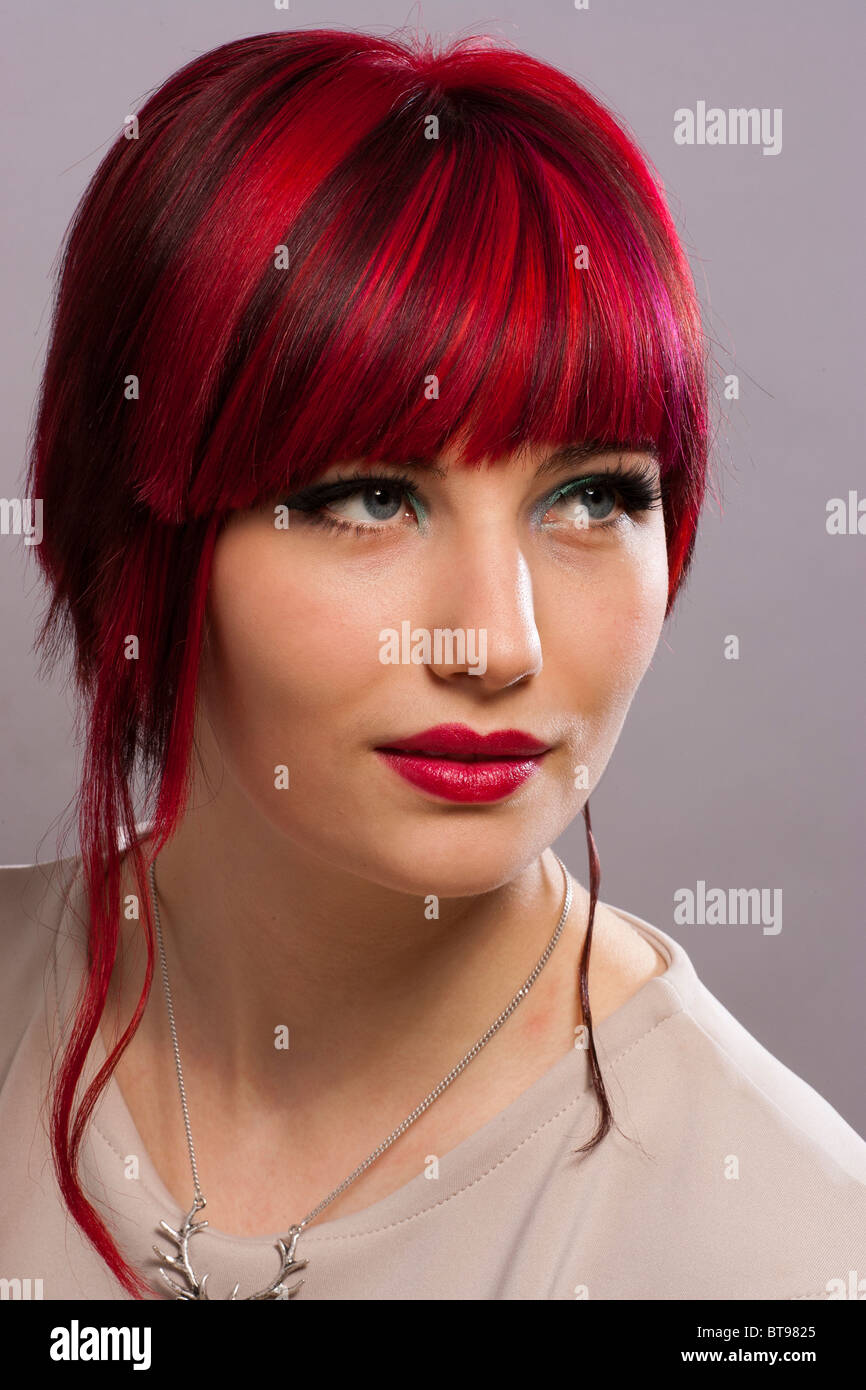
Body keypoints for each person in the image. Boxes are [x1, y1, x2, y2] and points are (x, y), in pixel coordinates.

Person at [1, 27, 863, 1302]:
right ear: (141, 530)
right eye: (366, 495)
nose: (496, 644)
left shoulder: (786, 1251)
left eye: (588, 494)